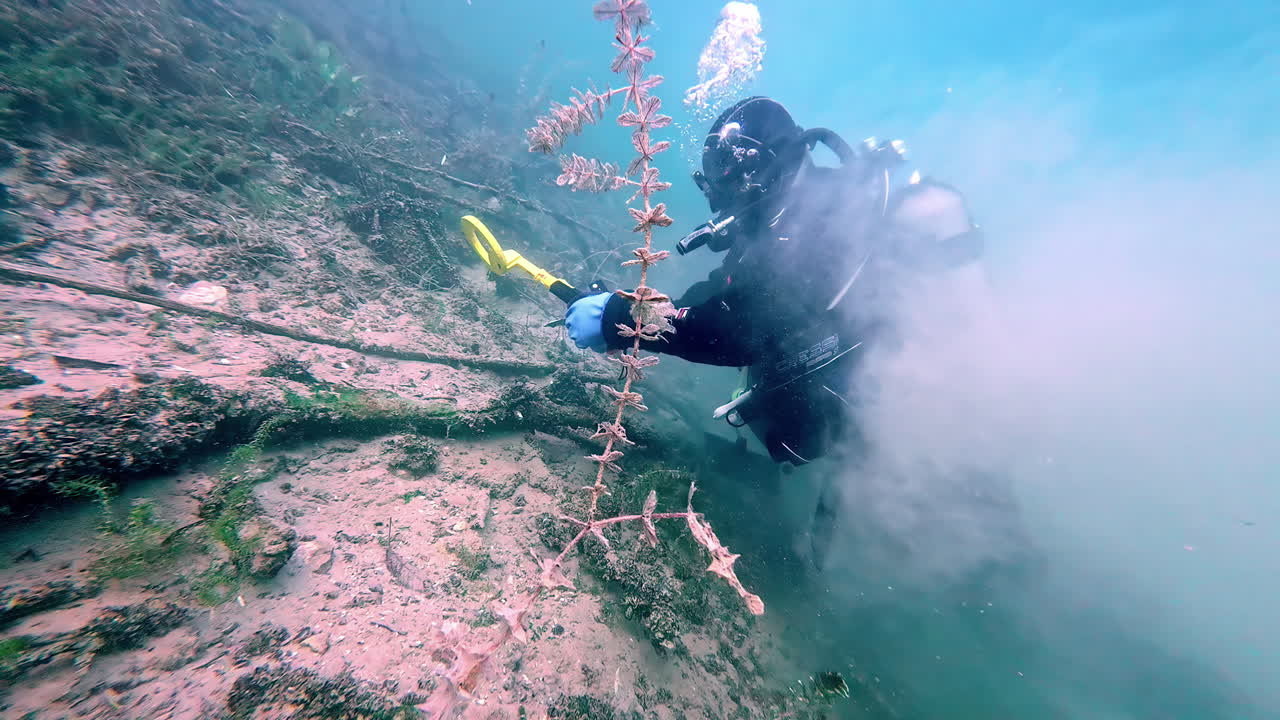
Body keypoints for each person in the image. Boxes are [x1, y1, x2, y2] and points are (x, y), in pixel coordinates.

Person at [565, 96, 982, 466]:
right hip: (873, 397)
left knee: (944, 493)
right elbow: (724, 289)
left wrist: (625, 319)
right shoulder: (779, 219)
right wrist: (644, 305)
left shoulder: (823, 224)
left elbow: (741, 332)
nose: (717, 189)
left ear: (765, 165)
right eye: (712, 170)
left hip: (911, 403)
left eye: (729, 168)